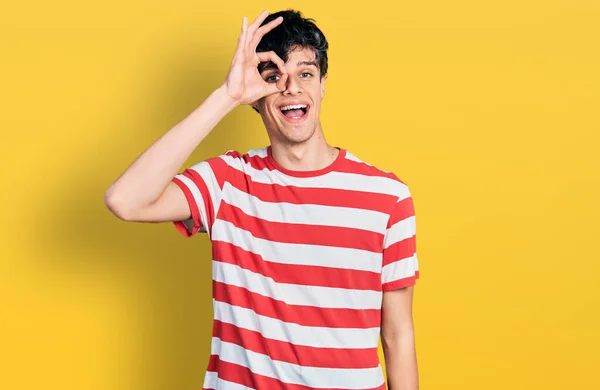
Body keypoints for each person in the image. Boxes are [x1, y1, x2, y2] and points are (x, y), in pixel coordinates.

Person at [105, 9, 420, 390]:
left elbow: (398, 335)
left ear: (322, 84)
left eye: (305, 73)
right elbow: (126, 200)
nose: (291, 88)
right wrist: (227, 95)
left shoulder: (387, 197)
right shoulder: (227, 182)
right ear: (255, 98)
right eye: (274, 78)